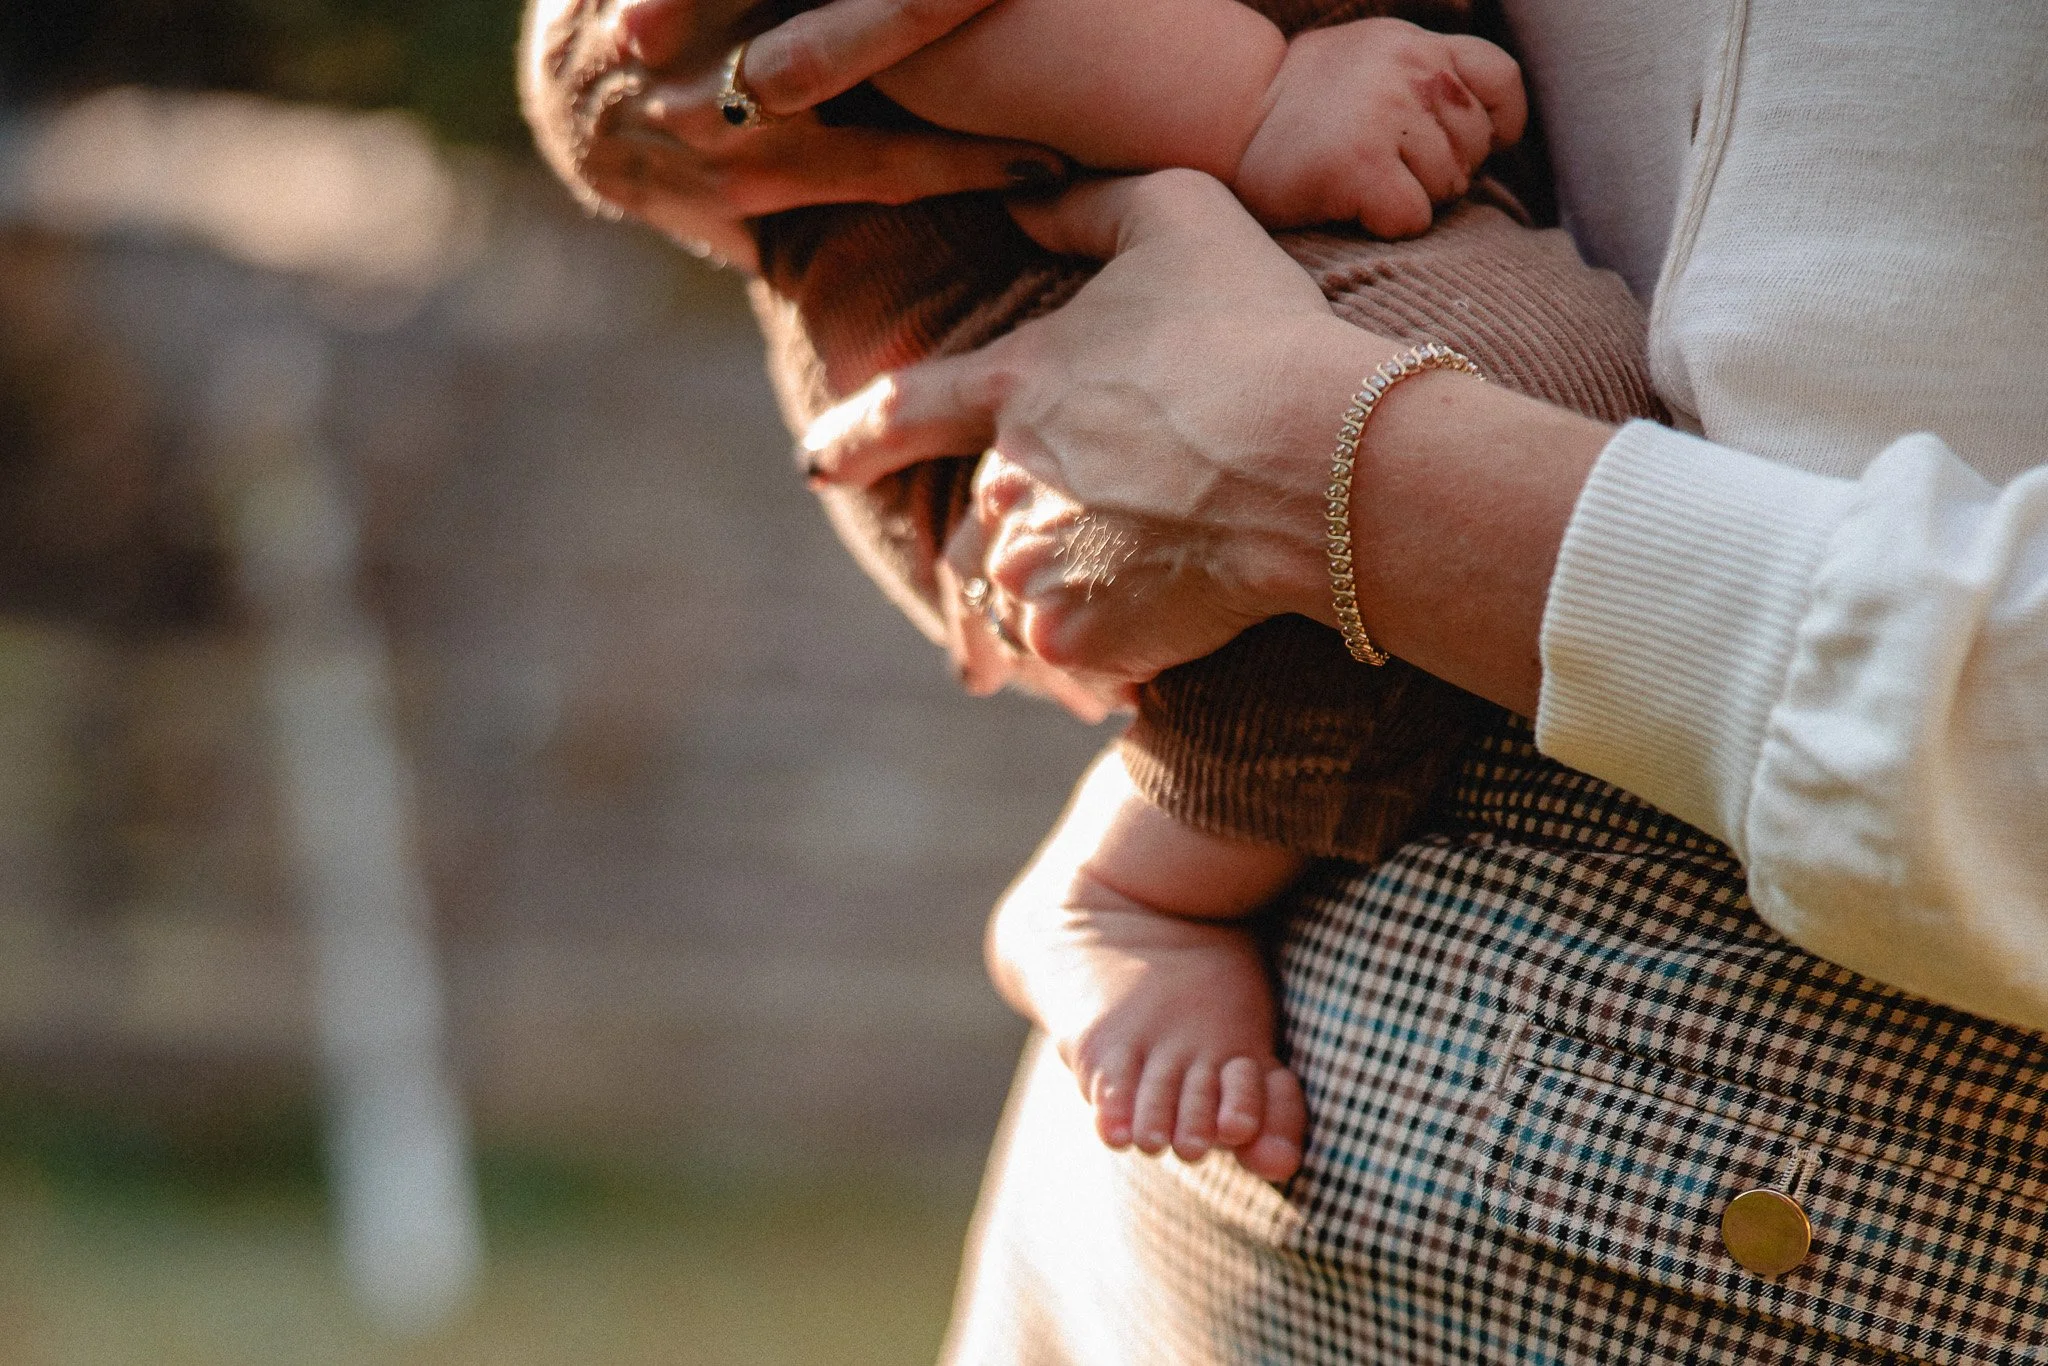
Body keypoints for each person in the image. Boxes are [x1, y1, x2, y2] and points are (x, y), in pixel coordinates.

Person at [525, 0, 2048, 1360]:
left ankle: (1156, 852)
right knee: (1543, 375)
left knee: (1543, 390)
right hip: (1103, 253)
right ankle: (1141, 873)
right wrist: (1254, 97)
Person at [525, 0, 1667, 1182]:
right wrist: (1255, 99)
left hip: (1268, 234)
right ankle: (1134, 876)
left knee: (1516, 441)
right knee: (1533, 402)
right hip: (1012, 304)